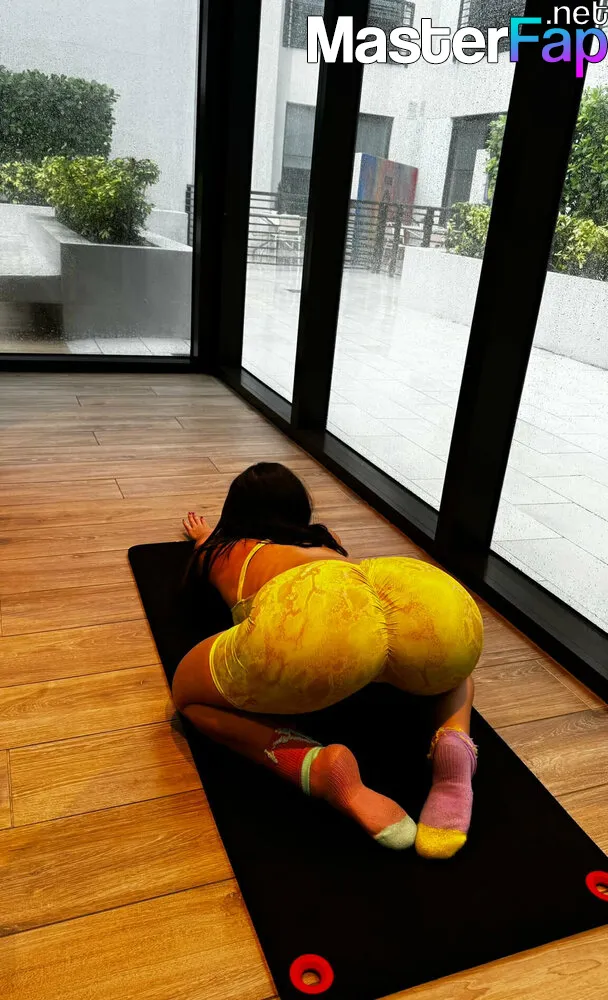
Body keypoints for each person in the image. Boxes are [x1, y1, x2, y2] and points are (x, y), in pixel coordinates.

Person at [172, 462, 483, 859]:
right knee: (453, 664)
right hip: (402, 588)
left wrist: (204, 536)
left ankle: (314, 766)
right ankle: (454, 744)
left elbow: (205, 549)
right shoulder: (326, 538)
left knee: (187, 693)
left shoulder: (226, 551)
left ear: (234, 512)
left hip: (318, 635)